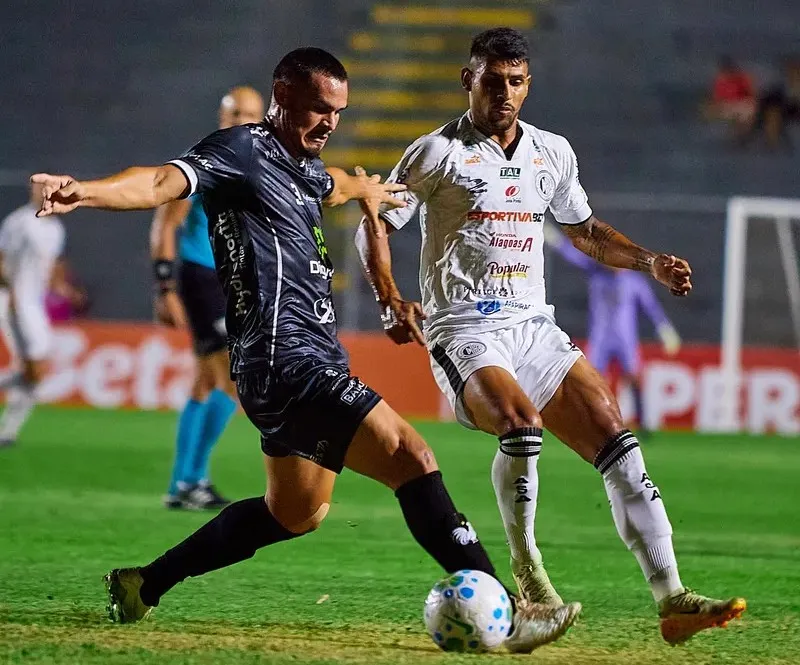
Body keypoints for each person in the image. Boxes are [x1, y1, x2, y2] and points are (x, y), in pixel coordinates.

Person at [32, 47, 581, 652]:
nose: (329, 123)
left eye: (339, 113)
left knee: (295, 512)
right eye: (319, 109)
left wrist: (369, 191)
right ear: (283, 97)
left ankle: (143, 583)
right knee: (411, 455)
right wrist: (81, 190)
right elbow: (161, 181)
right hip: (285, 357)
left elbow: (337, 184)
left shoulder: (304, 166)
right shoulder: (241, 151)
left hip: (295, 360)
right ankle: (506, 605)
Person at [355, 28, 745, 645]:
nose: (504, 93)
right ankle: (530, 577)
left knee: (616, 434)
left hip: (534, 326)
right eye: (492, 80)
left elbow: (585, 231)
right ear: (468, 81)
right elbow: (376, 219)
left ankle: (672, 598)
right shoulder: (436, 153)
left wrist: (649, 262)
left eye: (515, 81)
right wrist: (390, 298)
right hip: (465, 328)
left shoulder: (552, 152)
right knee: (519, 421)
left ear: (527, 84)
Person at [151, 86, 265, 510]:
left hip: (231, 280)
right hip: (202, 277)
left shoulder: (259, 160)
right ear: (221, 117)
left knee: (205, 382)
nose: (243, 122)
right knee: (232, 381)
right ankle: (189, 480)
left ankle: (185, 482)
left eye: (251, 114)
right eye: (235, 114)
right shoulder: (204, 159)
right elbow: (166, 223)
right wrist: (164, 286)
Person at [543, 223, 681, 435]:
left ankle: (643, 422)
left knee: (634, 377)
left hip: (625, 338)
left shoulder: (634, 282)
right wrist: (553, 239)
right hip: (600, 337)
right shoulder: (595, 273)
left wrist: (664, 328)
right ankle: (589, 421)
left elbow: (651, 307)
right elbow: (571, 254)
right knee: (592, 380)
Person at [0, 182, 65, 447]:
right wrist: (12, 293)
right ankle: (8, 432)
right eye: (40, 189)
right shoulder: (19, 221)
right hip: (14, 300)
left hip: (34, 303)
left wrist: (62, 289)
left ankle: (8, 433)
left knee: (34, 373)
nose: (44, 193)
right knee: (35, 369)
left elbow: (48, 266)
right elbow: (2, 257)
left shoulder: (55, 228)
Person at [703, 56, 755, 138]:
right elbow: (716, 99)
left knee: (744, 113)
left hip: (741, 105)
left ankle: (742, 136)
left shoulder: (742, 78)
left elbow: (751, 95)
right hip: (728, 106)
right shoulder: (720, 81)